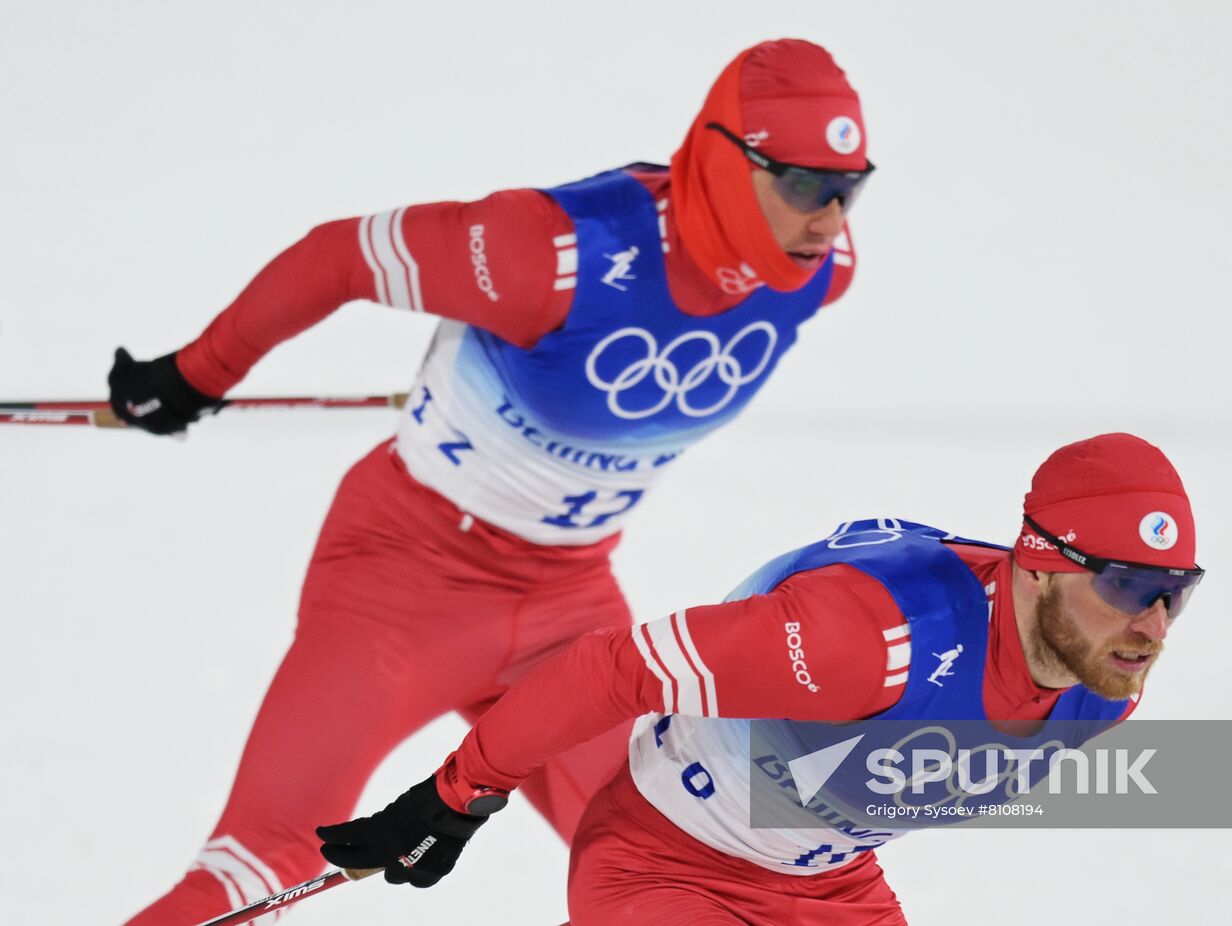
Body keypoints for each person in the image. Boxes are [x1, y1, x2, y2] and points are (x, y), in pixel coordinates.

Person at [109, 39, 874, 925]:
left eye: (851, 189)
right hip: (404, 580)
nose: (830, 220)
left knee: (697, 867)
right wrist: (201, 370)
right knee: (262, 867)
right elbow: (340, 256)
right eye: (806, 186)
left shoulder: (823, 275)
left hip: (569, 607)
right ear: (727, 159)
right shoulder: (549, 250)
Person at [316, 433, 1206, 925]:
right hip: (666, 867)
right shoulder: (862, 639)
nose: (1154, 626)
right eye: (1129, 587)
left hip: (830, 888)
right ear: (1041, 564)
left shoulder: (1105, 688)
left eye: (1177, 593)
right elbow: (616, 669)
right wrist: (457, 795)